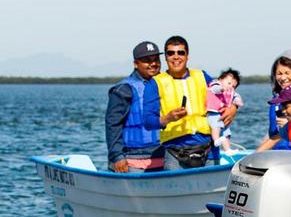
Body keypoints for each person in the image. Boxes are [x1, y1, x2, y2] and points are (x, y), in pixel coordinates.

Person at [153, 36, 238, 171]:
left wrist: (234, 107)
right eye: (171, 53)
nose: (176, 56)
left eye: (181, 52)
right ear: (165, 57)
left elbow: (228, 92)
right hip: (175, 153)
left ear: (187, 56)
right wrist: (168, 118)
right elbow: (146, 121)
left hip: (208, 150)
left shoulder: (202, 76)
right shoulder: (155, 82)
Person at [104, 41, 165, 173]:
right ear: (136, 63)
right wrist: (117, 156)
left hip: (163, 155)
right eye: (147, 61)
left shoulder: (167, 84)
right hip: (133, 158)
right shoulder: (124, 89)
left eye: (156, 60)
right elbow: (113, 124)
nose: (153, 64)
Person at [207, 68, 244, 152]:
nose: (230, 86)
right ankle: (216, 140)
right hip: (213, 113)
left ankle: (228, 150)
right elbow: (214, 89)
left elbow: (235, 96)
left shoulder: (231, 91)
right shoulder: (216, 84)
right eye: (229, 83)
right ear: (220, 80)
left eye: (233, 86)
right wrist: (221, 88)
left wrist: (238, 101)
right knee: (216, 126)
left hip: (222, 116)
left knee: (226, 132)